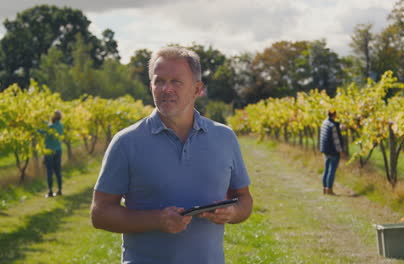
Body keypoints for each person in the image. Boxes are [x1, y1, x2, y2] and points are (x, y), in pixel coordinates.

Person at [91, 47, 253, 264]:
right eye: (159, 82)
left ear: (197, 89)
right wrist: (157, 220)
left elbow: (244, 199)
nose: (166, 89)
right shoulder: (126, 142)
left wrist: (232, 213)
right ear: (151, 87)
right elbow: (100, 213)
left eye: (176, 81)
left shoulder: (224, 137)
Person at [319, 110, 344, 195]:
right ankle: (329, 189)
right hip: (333, 151)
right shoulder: (332, 126)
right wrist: (340, 151)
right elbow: (336, 140)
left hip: (325, 150)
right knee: (332, 170)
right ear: (334, 115)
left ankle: (324, 188)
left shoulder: (324, 123)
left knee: (326, 169)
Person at [42, 110, 64, 197]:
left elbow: (43, 131)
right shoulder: (60, 125)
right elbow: (49, 125)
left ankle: (50, 191)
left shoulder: (50, 126)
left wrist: (35, 128)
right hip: (58, 150)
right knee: (58, 171)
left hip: (49, 151)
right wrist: (44, 122)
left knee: (49, 171)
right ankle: (59, 190)